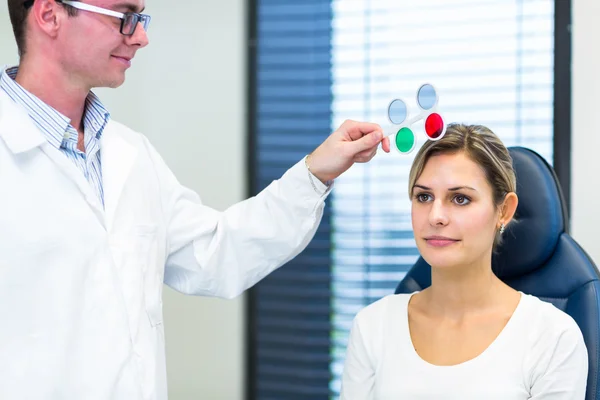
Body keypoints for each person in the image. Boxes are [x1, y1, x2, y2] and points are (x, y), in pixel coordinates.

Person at [0, 0, 391, 398]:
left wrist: (316, 172)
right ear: (50, 15)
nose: (141, 37)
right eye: (124, 17)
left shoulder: (130, 155)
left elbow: (216, 254)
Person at [339, 123, 588, 399]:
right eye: (424, 196)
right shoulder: (373, 326)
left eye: (460, 198)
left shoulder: (552, 337)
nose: (435, 216)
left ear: (504, 211)